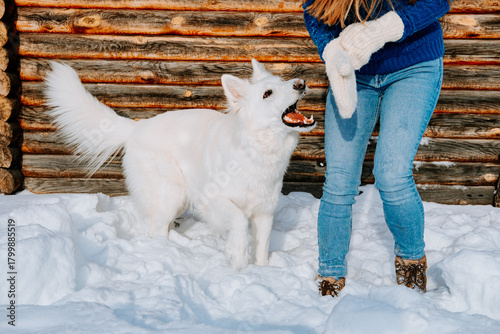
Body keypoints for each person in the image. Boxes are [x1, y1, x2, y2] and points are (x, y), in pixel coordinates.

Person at [302, 0, 453, 296]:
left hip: (413, 66)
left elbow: (439, 1)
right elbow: (314, 10)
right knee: (339, 179)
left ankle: (411, 259)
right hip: (355, 71)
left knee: (391, 174)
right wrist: (331, 51)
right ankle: (330, 272)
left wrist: (382, 29)